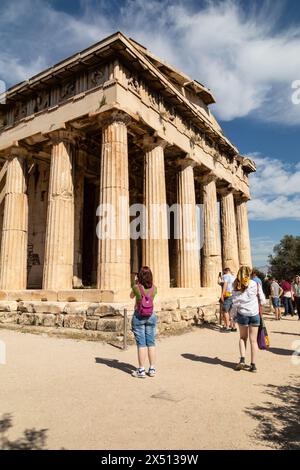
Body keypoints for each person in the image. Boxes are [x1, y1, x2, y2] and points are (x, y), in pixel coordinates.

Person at [232, 266, 266, 373]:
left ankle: (242, 360)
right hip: (254, 314)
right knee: (253, 341)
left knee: (243, 338)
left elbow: (235, 303)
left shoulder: (236, 284)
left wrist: (233, 316)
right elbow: (263, 300)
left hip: (242, 314)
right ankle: (253, 365)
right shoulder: (255, 284)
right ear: (250, 274)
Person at [130, 266, 157, 378]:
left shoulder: (136, 287)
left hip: (139, 315)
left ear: (139, 276)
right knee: (151, 342)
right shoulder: (154, 288)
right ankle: (152, 369)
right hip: (151, 315)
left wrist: (136, 283)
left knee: (141, 343)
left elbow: (131, 296)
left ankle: (141, 370)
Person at [220, 267, 236, 332]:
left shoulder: (225, 276)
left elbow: (225, 284)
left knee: (225, 310)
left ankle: (227, 326)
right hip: (234, 295)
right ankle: (233, 327)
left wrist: (222, 294)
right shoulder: (234, 277)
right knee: (232, 311)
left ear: (225, 271)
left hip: (228, 295)